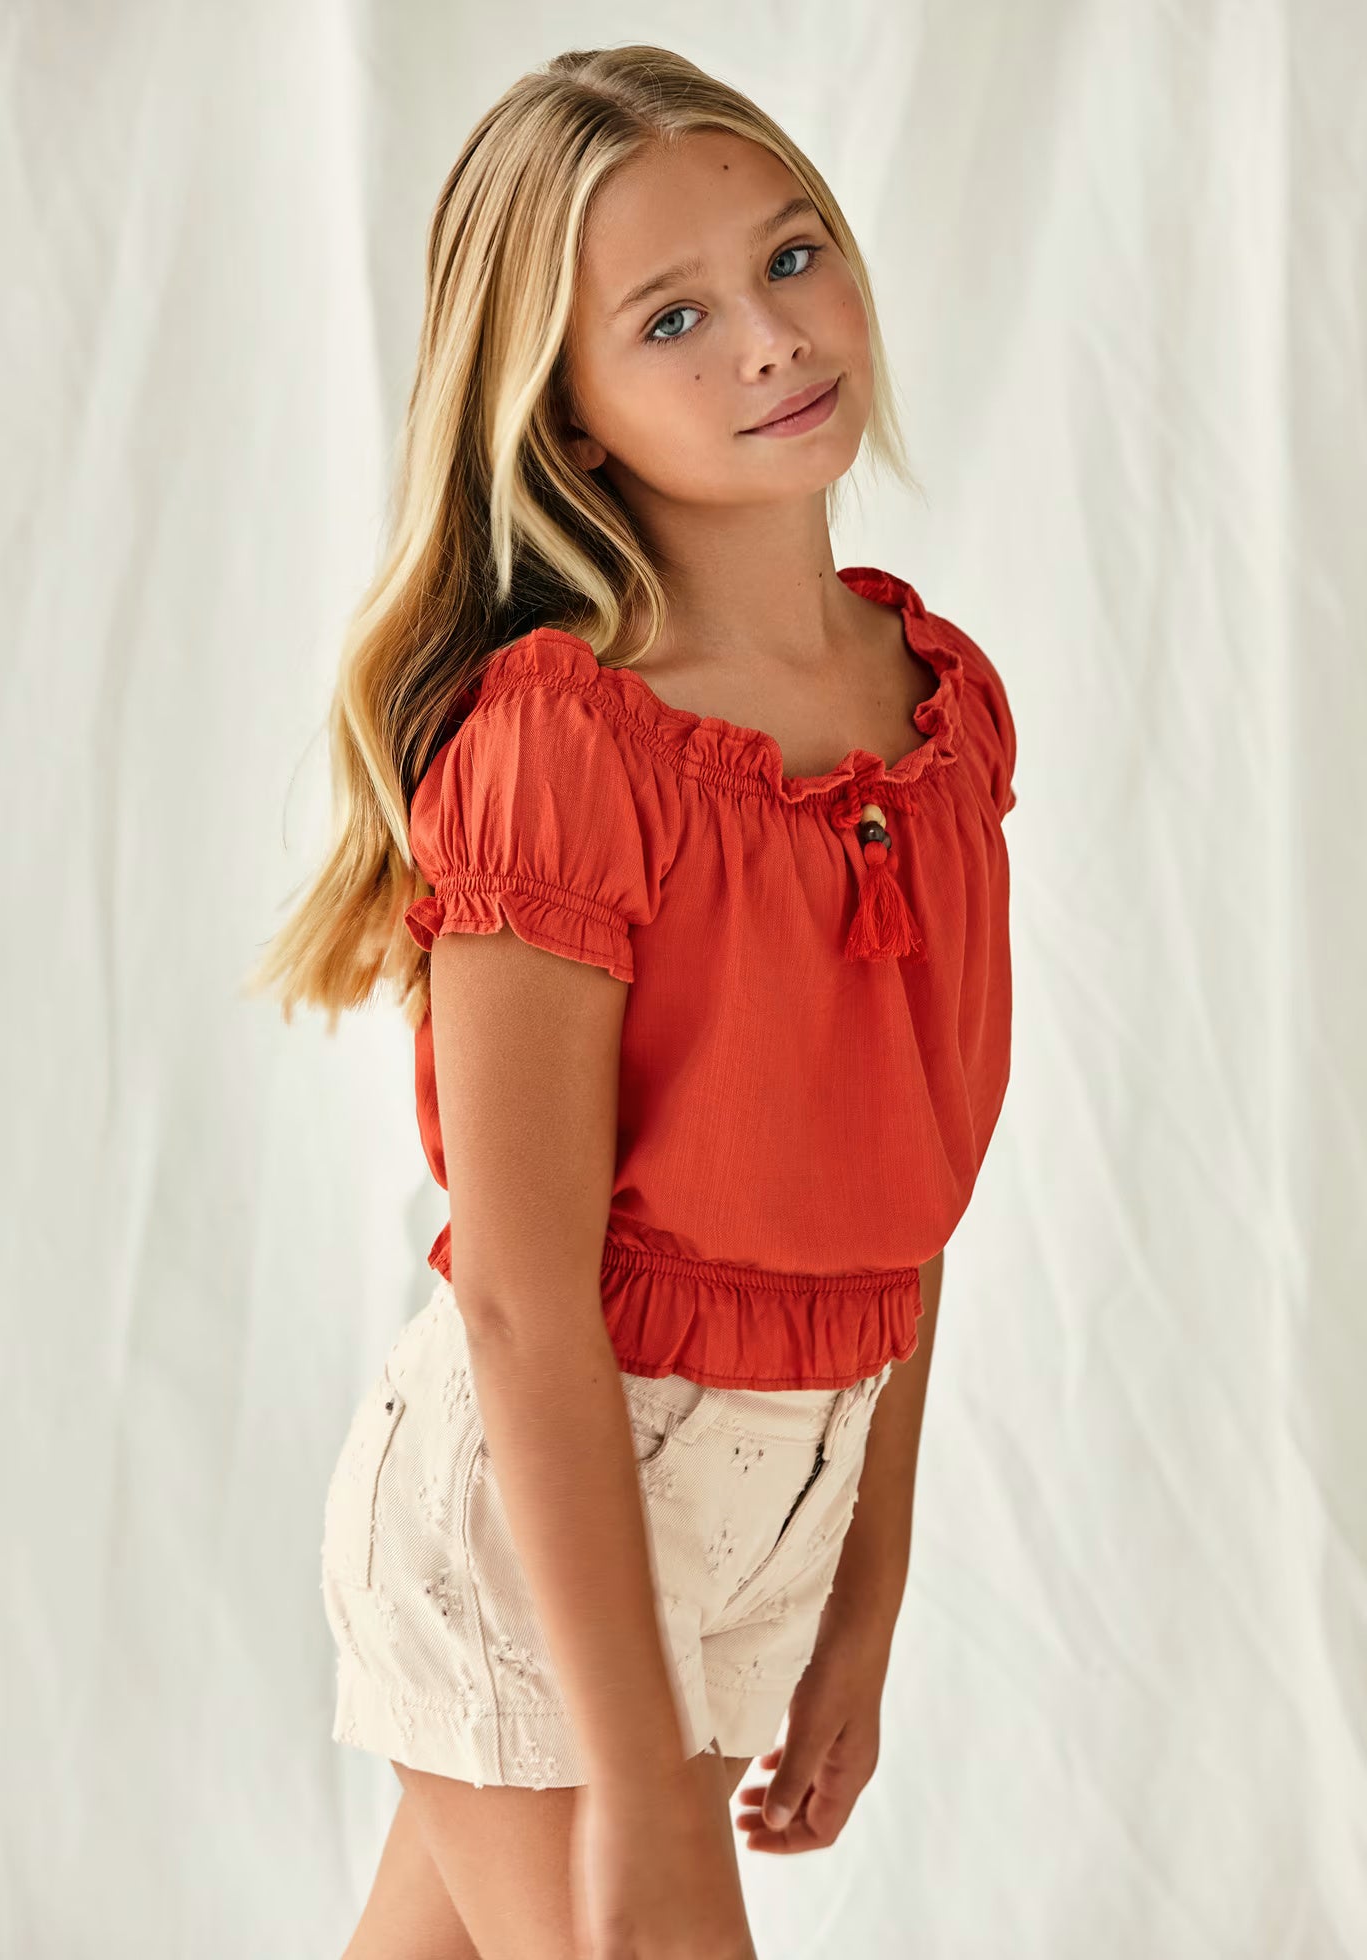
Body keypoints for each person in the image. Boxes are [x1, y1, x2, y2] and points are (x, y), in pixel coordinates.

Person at [248, 41, 1018, 1960]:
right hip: (544, 1541)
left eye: (791, 256)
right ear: (568, 417)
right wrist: (639, 1783)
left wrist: (866, 1603)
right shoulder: (562, 755)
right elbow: (522, 1297)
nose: (772, 338)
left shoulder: (935, 714)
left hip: (776, 1520)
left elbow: (905, 1203)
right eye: (672, 318)